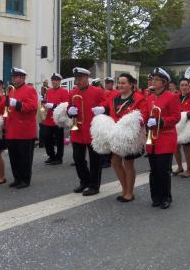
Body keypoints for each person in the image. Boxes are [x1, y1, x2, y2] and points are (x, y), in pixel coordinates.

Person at [101, 73, 147, 202]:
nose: (120, 85)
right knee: (115, 162)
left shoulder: (139, 98)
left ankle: (129, 192)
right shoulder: (114, 97)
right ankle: (124, 187)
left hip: (130, 136)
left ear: (131, 84)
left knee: (128, 164)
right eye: (119, 83)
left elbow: (143, 115)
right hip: (116, 135)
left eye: (123, 83)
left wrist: (133, 124)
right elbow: (110, 112)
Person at [145, 68, 181, 209]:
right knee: (153, 170)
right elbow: (148, 114)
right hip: (152, 138)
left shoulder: (171, 97)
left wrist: (161, 121)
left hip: (166, 138)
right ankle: (155, 197)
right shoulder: (150, 98)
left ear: (164, 82)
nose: (153, 81)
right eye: (153, 79)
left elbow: (176, 117)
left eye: (156, 79)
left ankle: (166, 197)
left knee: (163, 170)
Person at [68, 67, 106, 196]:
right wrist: (69, 112)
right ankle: (84, 181)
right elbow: (69, 108)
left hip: (93, 131)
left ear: (86, 78)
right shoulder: (73, 93)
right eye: (76, 79)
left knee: (95, 160)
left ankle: (94, 185)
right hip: (78, 131)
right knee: (78, 158)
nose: (78, 81)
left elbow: (107, 105)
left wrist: (102, 109)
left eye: (80, 78)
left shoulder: (98, 91)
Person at [4, 68, 39, 189]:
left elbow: (33, 107)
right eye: (13, 77)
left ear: (23, 78)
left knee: (25, 157)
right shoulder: (10, 90)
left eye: (17, 77)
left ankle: (25, 179)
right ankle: (17, 178)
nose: (14, 79)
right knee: (14, 157)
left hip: (25, 129)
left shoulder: (30, 90)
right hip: (12, 128)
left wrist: (18, 104)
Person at [40, 73, 69, 165]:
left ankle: (59, 158)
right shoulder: (49, 91)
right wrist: (43, 101)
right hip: (48, 119)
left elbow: (65, 106)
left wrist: (54, 106)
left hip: (59, 120)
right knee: (46, 137)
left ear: (59, 81)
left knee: (59, 140)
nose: (54, 82)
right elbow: (46, 102)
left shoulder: (64, 92)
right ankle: (51, 155)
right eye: (52, 80)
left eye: (56, 80)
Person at [173, 78, 190, 177]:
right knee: (175, 147)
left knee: (186, 148)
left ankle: (189, 170)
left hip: (187, 125)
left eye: (186, 85)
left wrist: (186, 115)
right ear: (179, 86)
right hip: (177, 125)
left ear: (189, 86)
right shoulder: (175, 97)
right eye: (182, 85)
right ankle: (180, 166)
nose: (184, 87)